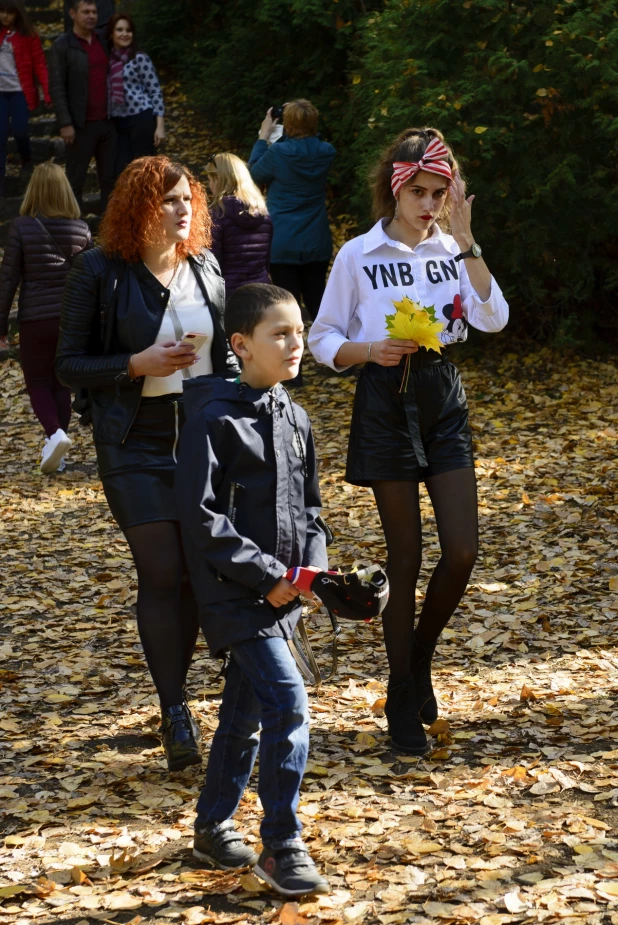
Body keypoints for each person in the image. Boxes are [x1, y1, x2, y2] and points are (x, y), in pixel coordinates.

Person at [308, 128, 509, 755]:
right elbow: (321, 339)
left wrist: (470, 243)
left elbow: (492, 317)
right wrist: (369, 350)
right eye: (417, 191)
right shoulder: (358, 254)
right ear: (394, 189)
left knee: (463, 551)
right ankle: (400, 692)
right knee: (405, 557)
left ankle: (418, 658)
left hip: (442, 398)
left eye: (438, 193)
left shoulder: (454, 249)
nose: (428, 204)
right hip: (384, 401)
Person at [55, 155, 238, 771]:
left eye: (188, 199)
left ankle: (181, 693)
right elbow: (68, 363)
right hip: (134, 441)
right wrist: (135, 364)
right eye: (167, 200)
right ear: (139, 207)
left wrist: (251, 414)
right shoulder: (99, 270)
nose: (183, 209)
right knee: (161, 571)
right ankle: (174, 709)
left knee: (193, 571)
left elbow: (229, 355)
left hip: (203, 438)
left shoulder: (207, 267)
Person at [175, 282, 329, 895]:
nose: (296, 344)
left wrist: (312, 573)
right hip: (232, 592)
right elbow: (203, 519)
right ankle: (281, 843)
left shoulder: (295, 416)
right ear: (240, 344)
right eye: (280, 334)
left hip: (284, 596)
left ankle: (212, 828)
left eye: (299, 331)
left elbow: (312, 509)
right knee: (287, 702)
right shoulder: (212, 418)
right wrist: (268, 578)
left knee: (244, 713)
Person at [0, 162, 91, 471]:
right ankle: (59, 453)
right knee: (60, 384)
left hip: (35, 320)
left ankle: (55, 435)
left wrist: (1, 323)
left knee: (37, 383)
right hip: (70, 320)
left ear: (34, 191)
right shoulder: (81, 229)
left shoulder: (21, 227)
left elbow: (8, 278)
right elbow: (89, 281)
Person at [249, 100, 334, 384]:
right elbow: (312, 149)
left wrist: (264, 137)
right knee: (318, 299)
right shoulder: (326, 152)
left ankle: (292, 373)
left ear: (289, 124)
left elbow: (251, 176)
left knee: (286, 305)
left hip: (283, 238)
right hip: (316, 237)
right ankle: (337, 358)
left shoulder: (279, 153)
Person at [48, 0, 116, 212]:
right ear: (72, 14)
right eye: (85, 12)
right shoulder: (62, 45)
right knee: (75, 181)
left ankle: (110, 231)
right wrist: (65, 123)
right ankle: (74, 232)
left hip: (108, 122)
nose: (91, 16)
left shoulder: (104, 40)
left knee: (110, 180)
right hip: (80, 124)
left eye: (94, 12)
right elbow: (56, 87)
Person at [0, 1, 50, 196]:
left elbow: (39, 64)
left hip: (20, 91)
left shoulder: (28, 36)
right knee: (1, 137)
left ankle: (27, 159)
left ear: (17, 14)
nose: (4, 16)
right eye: (1, 11)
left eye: (9, 13)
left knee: (21, 130)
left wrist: (47, 91)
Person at [106, 13, 165, 177]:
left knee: (146, 170)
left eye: (129, 30)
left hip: (141, 118)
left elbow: (155, 91)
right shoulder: (105, 60)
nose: (125, 34)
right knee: (121, 172)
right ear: (111, 34)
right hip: (117, 122)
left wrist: (160, 126)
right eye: (119, 30)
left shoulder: (140, 58)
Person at [206, 153, 272, 296]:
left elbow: (213, 263)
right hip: (261, 291)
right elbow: (266, 260)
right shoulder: (263, 213)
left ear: (218, 180)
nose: (209, 185)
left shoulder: (217, 214)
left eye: (210, 179)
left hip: (229, 294)